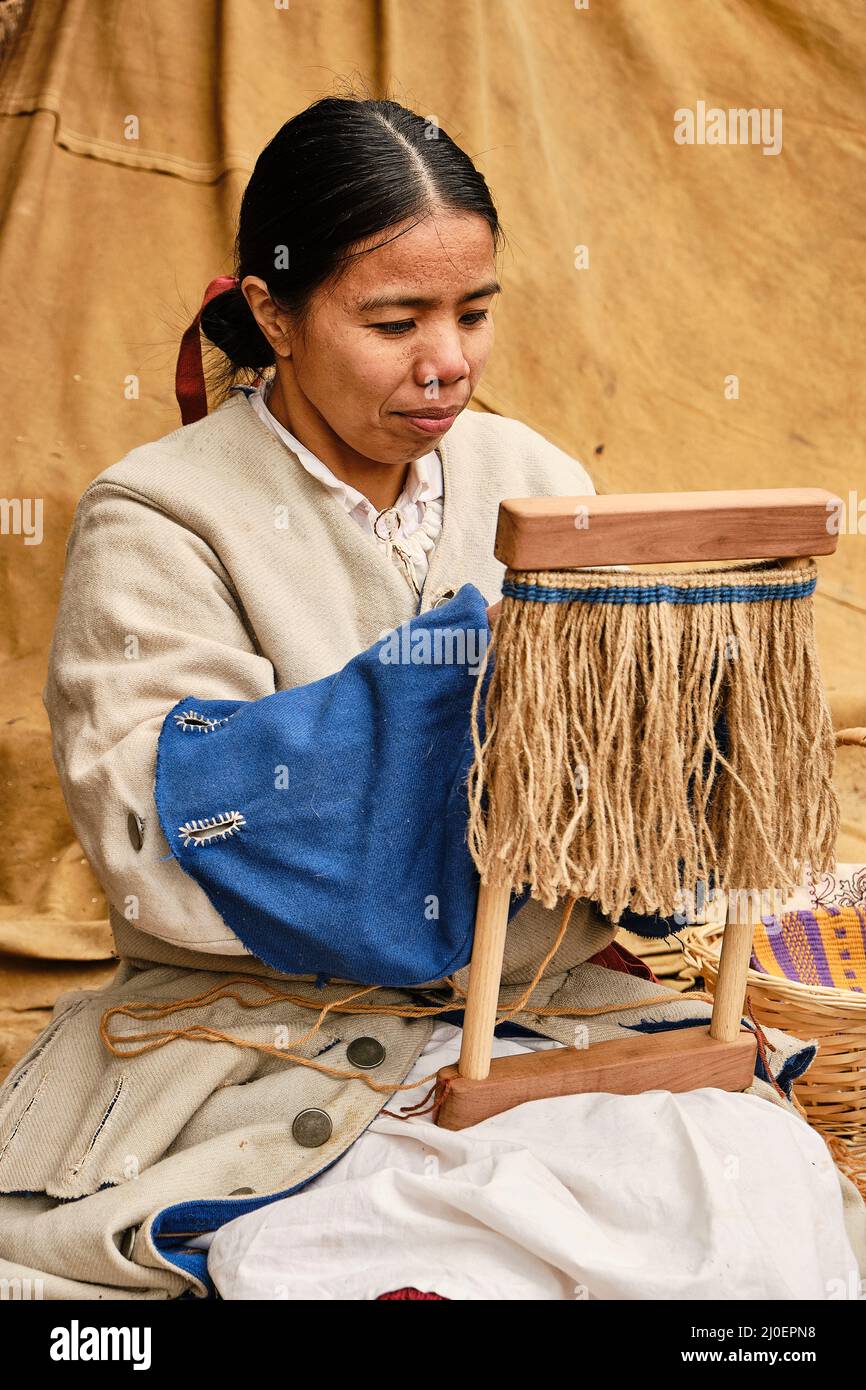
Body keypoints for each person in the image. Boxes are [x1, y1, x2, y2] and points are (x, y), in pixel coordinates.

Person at [0, 96, 842, 1301]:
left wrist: (671, 724)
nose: (445, 359)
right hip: (274, 1036)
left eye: (473, 312)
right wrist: (458, 689)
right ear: (271, 315)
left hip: (542, 1021)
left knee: (754, 1200)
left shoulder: (534, 480)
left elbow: (637, 809)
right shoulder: (161, 515)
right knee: (449, 1257)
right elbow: (159, 836)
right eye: (393, 320)